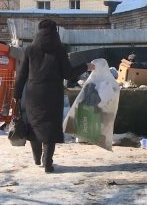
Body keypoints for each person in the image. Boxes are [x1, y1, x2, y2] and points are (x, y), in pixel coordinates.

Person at [13, 19, 94, 173]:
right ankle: (48, 163)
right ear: (55, 32)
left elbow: (21, 75)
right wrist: (86, 66)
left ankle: (37, 158)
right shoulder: (60, 50)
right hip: (53, 94)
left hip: (33, 93)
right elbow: (68, 73)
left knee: (35, 125)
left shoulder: (29, 50)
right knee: (50, 127)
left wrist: (16, 95)